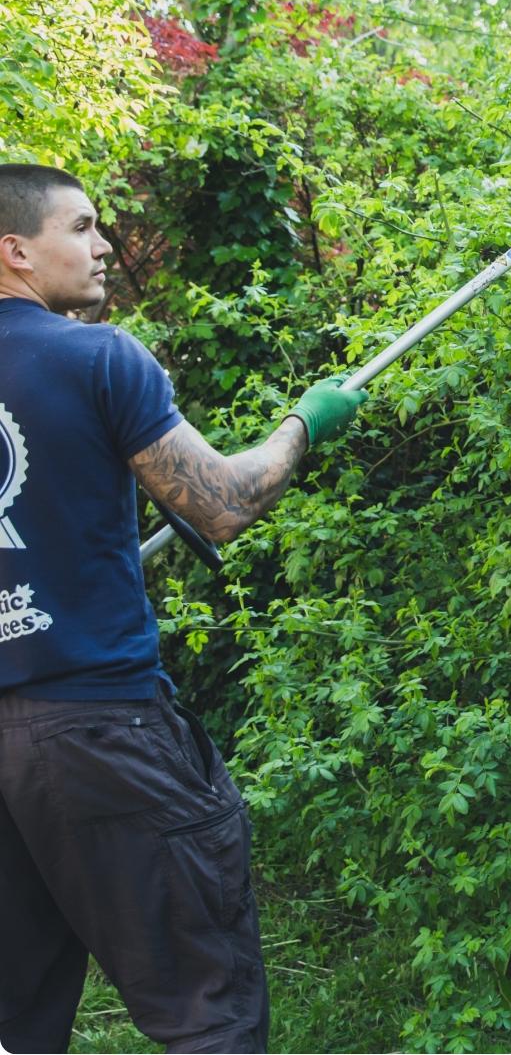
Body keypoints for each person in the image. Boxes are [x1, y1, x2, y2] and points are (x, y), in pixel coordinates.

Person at [0, 163, 367, 1054]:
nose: (101, 247)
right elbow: (224, 502)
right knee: (208, 1010)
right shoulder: (96, 355)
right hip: (97, 732)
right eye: (81, 227)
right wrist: (306, 424)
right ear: (15, 250)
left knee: (14, 1021)